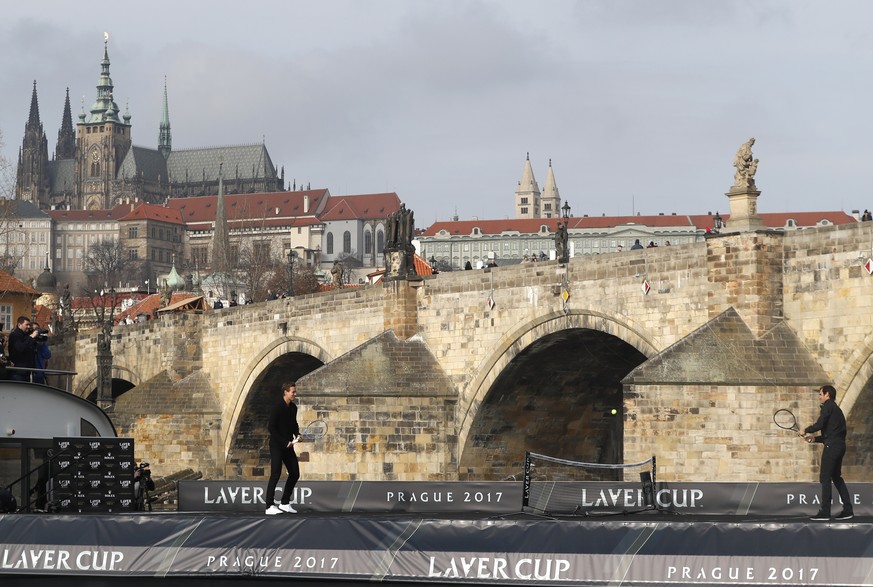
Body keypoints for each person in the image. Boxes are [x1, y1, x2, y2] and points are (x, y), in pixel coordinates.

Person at [802, 385, 853, 521]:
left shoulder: (827, 407)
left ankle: (825, 512)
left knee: (825, 478)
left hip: (832, 447)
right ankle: (848, 510)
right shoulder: (837, 410)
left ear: (827, 395)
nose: (819, 396)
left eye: (820, 394)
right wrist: (815, 438)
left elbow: (819, 424)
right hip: (839, 446)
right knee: (836, 477)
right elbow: (832, 434)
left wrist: (805, 430)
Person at [265, 381, 301, 515]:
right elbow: (271, 427)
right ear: (285, 392)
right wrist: (284, 441)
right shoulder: (277, 407)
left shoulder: (293, 408)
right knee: (275, 474)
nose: (294, 394)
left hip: (288, 446)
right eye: (293, 392)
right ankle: (269, 506)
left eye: (295, 392)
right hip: (277, 446)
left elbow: (293, 424)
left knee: (295, 473)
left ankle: (285, 502)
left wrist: (297, 434)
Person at [8, 316, 40, 382]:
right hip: (18, 372)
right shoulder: (14, 335)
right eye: (26, 325)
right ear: (19, 324)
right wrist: (31, 337)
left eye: (29, 325)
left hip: (27, 372)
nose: (28, 327)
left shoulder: (26, 335)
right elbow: (20, 348)